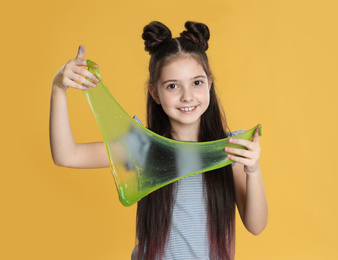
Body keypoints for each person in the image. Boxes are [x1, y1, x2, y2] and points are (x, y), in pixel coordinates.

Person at [50, 21, 268, 260]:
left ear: (209, 84)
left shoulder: (230, 150)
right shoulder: (142, 147)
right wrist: (59, 88)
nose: (187, 97)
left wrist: (253, 170)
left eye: (197, 83)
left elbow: (256, 226)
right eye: (173, 86)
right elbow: (66, 155)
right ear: (155, 93)